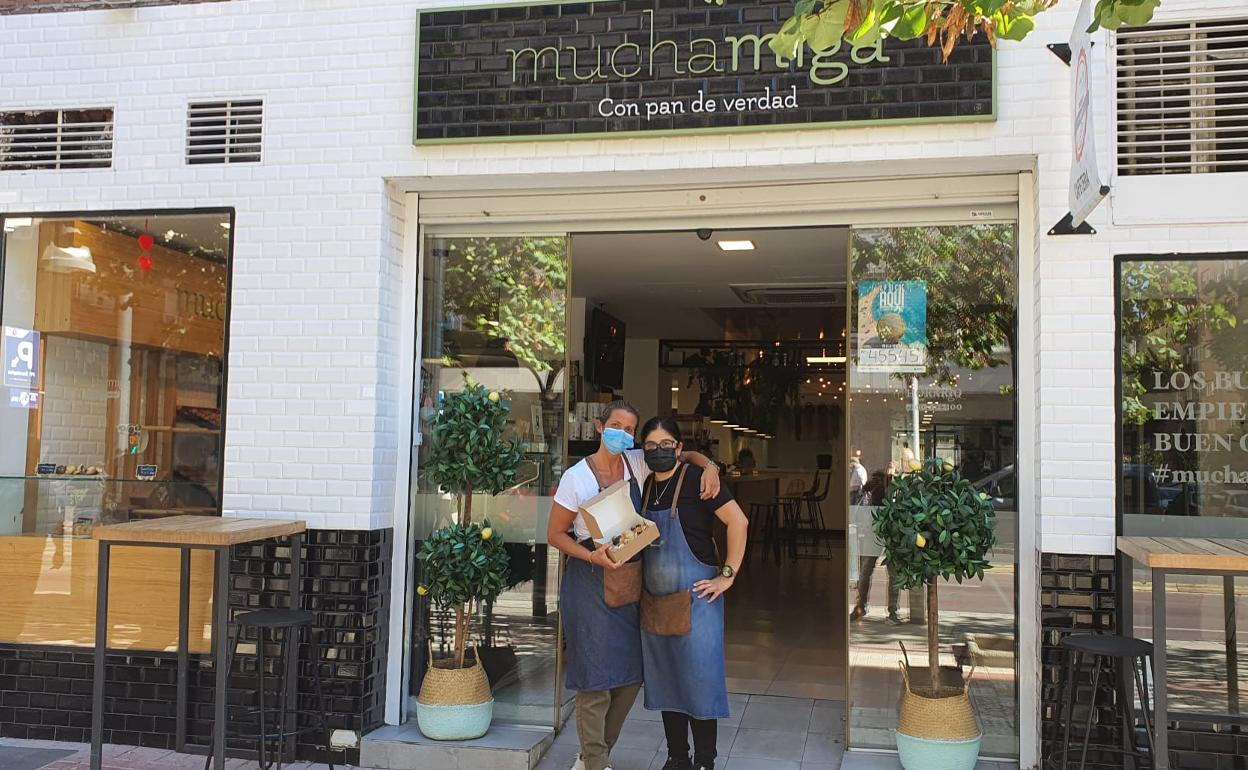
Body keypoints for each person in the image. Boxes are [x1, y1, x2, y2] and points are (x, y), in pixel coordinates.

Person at [546, 401, 722, 770]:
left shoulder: (636, 462)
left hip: (629, 585)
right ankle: (595, 762)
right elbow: (555, 534)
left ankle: (593, 754)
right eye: (615, 426)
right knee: (594, 681)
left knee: (628, 678)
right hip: (590, 580)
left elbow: (681, 450)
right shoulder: (576, 478)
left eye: (628, 429)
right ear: (599, 427)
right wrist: (591, 556)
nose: (621, 434)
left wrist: (709, 466)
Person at [636, 417, 748, 770]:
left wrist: (727, 575)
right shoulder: (645, 485)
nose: (659, 452)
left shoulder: (700, 481)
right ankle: (677, 757)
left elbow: (738, 522)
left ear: (679, 449)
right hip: (656, 601)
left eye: (666, 445)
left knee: (699, 681)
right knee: (667, 679)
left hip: (699, 599)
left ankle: (704, 761)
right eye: (651, 447)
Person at [850, 469, 900, 624]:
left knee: (889, 573)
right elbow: (860, 511)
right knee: (866, 571)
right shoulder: (869, 492)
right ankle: (862, 606)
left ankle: (891, 610)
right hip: (874, 533)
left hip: (884, 532)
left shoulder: (892, 491)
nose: (879, 482)